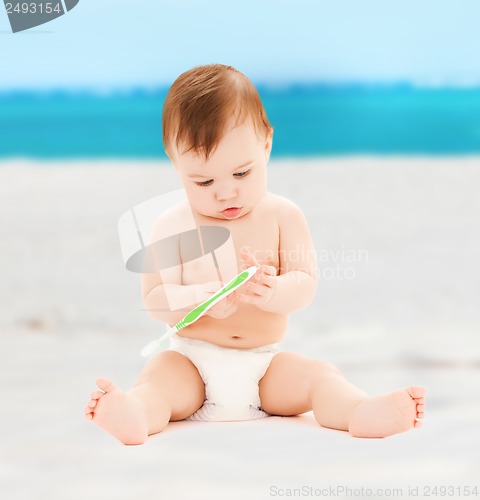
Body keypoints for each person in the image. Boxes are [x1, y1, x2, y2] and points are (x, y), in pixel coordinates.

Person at [84, 64, 425, 445]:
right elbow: (156, 300)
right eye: (204, 181)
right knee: (158, 381)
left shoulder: (283, 216)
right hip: (192, 361)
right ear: (173, 160)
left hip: (264, 366)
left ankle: (358, 411)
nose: (225, 193)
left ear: (266, 144)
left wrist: (273, 291)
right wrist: (202, 297)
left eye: (242, 174)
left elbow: (305, 284)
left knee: (320, 377)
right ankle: (137, 415)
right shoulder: (170, 226)